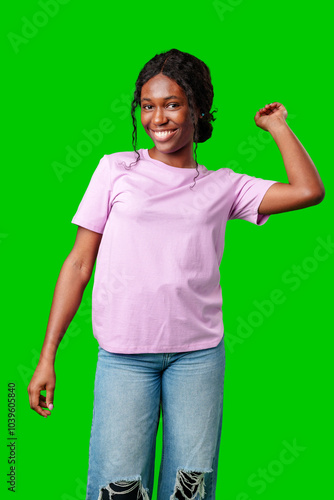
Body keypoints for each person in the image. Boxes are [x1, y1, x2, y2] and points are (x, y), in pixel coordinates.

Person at [27, 48, 325, 500]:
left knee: (191, 490)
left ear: (197, 109)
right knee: (118, 489)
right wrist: (48, 354)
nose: (158, 117)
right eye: (148, 105)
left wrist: (278, 127)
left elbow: (308, 190)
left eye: (172, 103)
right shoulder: (115, 170)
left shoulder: (223, 184)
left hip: (197, 358)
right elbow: (78, 263)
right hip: (125, 356)